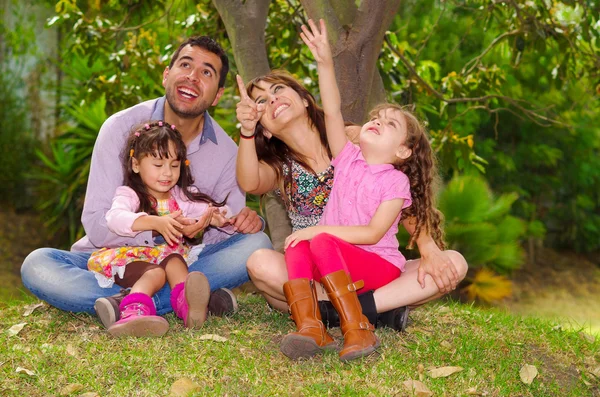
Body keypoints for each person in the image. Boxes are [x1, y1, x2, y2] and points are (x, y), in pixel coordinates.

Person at [234, 25, 468, 334]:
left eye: (277, 90)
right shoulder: (280, 167)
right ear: (265, 127)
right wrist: (246, 130)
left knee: (454, 263)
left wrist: (428, 248)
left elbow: (399, 199)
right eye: (260, 102)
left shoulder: (351, 141)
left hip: (366, 263)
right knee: (261, 264)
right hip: (313, 271)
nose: (271, 100)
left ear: (305, 99)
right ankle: (371, 310)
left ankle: (345, 312)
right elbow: (249, 182)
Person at [21, 36, 272, 322]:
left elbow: (220, 232)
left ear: (217, 95)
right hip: (113, 260)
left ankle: (128, 303)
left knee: (256, 244)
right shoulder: (120, 127)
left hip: (183, 259)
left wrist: (239, 223)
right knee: (37, 265)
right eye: (185, 64)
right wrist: (156, 227)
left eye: (206, 72)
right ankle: (191, 299)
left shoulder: (228, 154)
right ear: (167, 75)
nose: (192, 77)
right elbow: (97, 222)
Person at [88, 121, 235, 337]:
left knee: (176, 260)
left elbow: (205, 210)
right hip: (131, 260)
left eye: (174, 166)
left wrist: (217, 218)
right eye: (158, 165)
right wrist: (155, 222)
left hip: (165, 256)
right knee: (155, 273)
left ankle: (187, 304)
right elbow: (115, 218)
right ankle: (133, 312)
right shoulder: (129, 194)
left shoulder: (180, 196)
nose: (167, 173)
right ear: (136, 164)